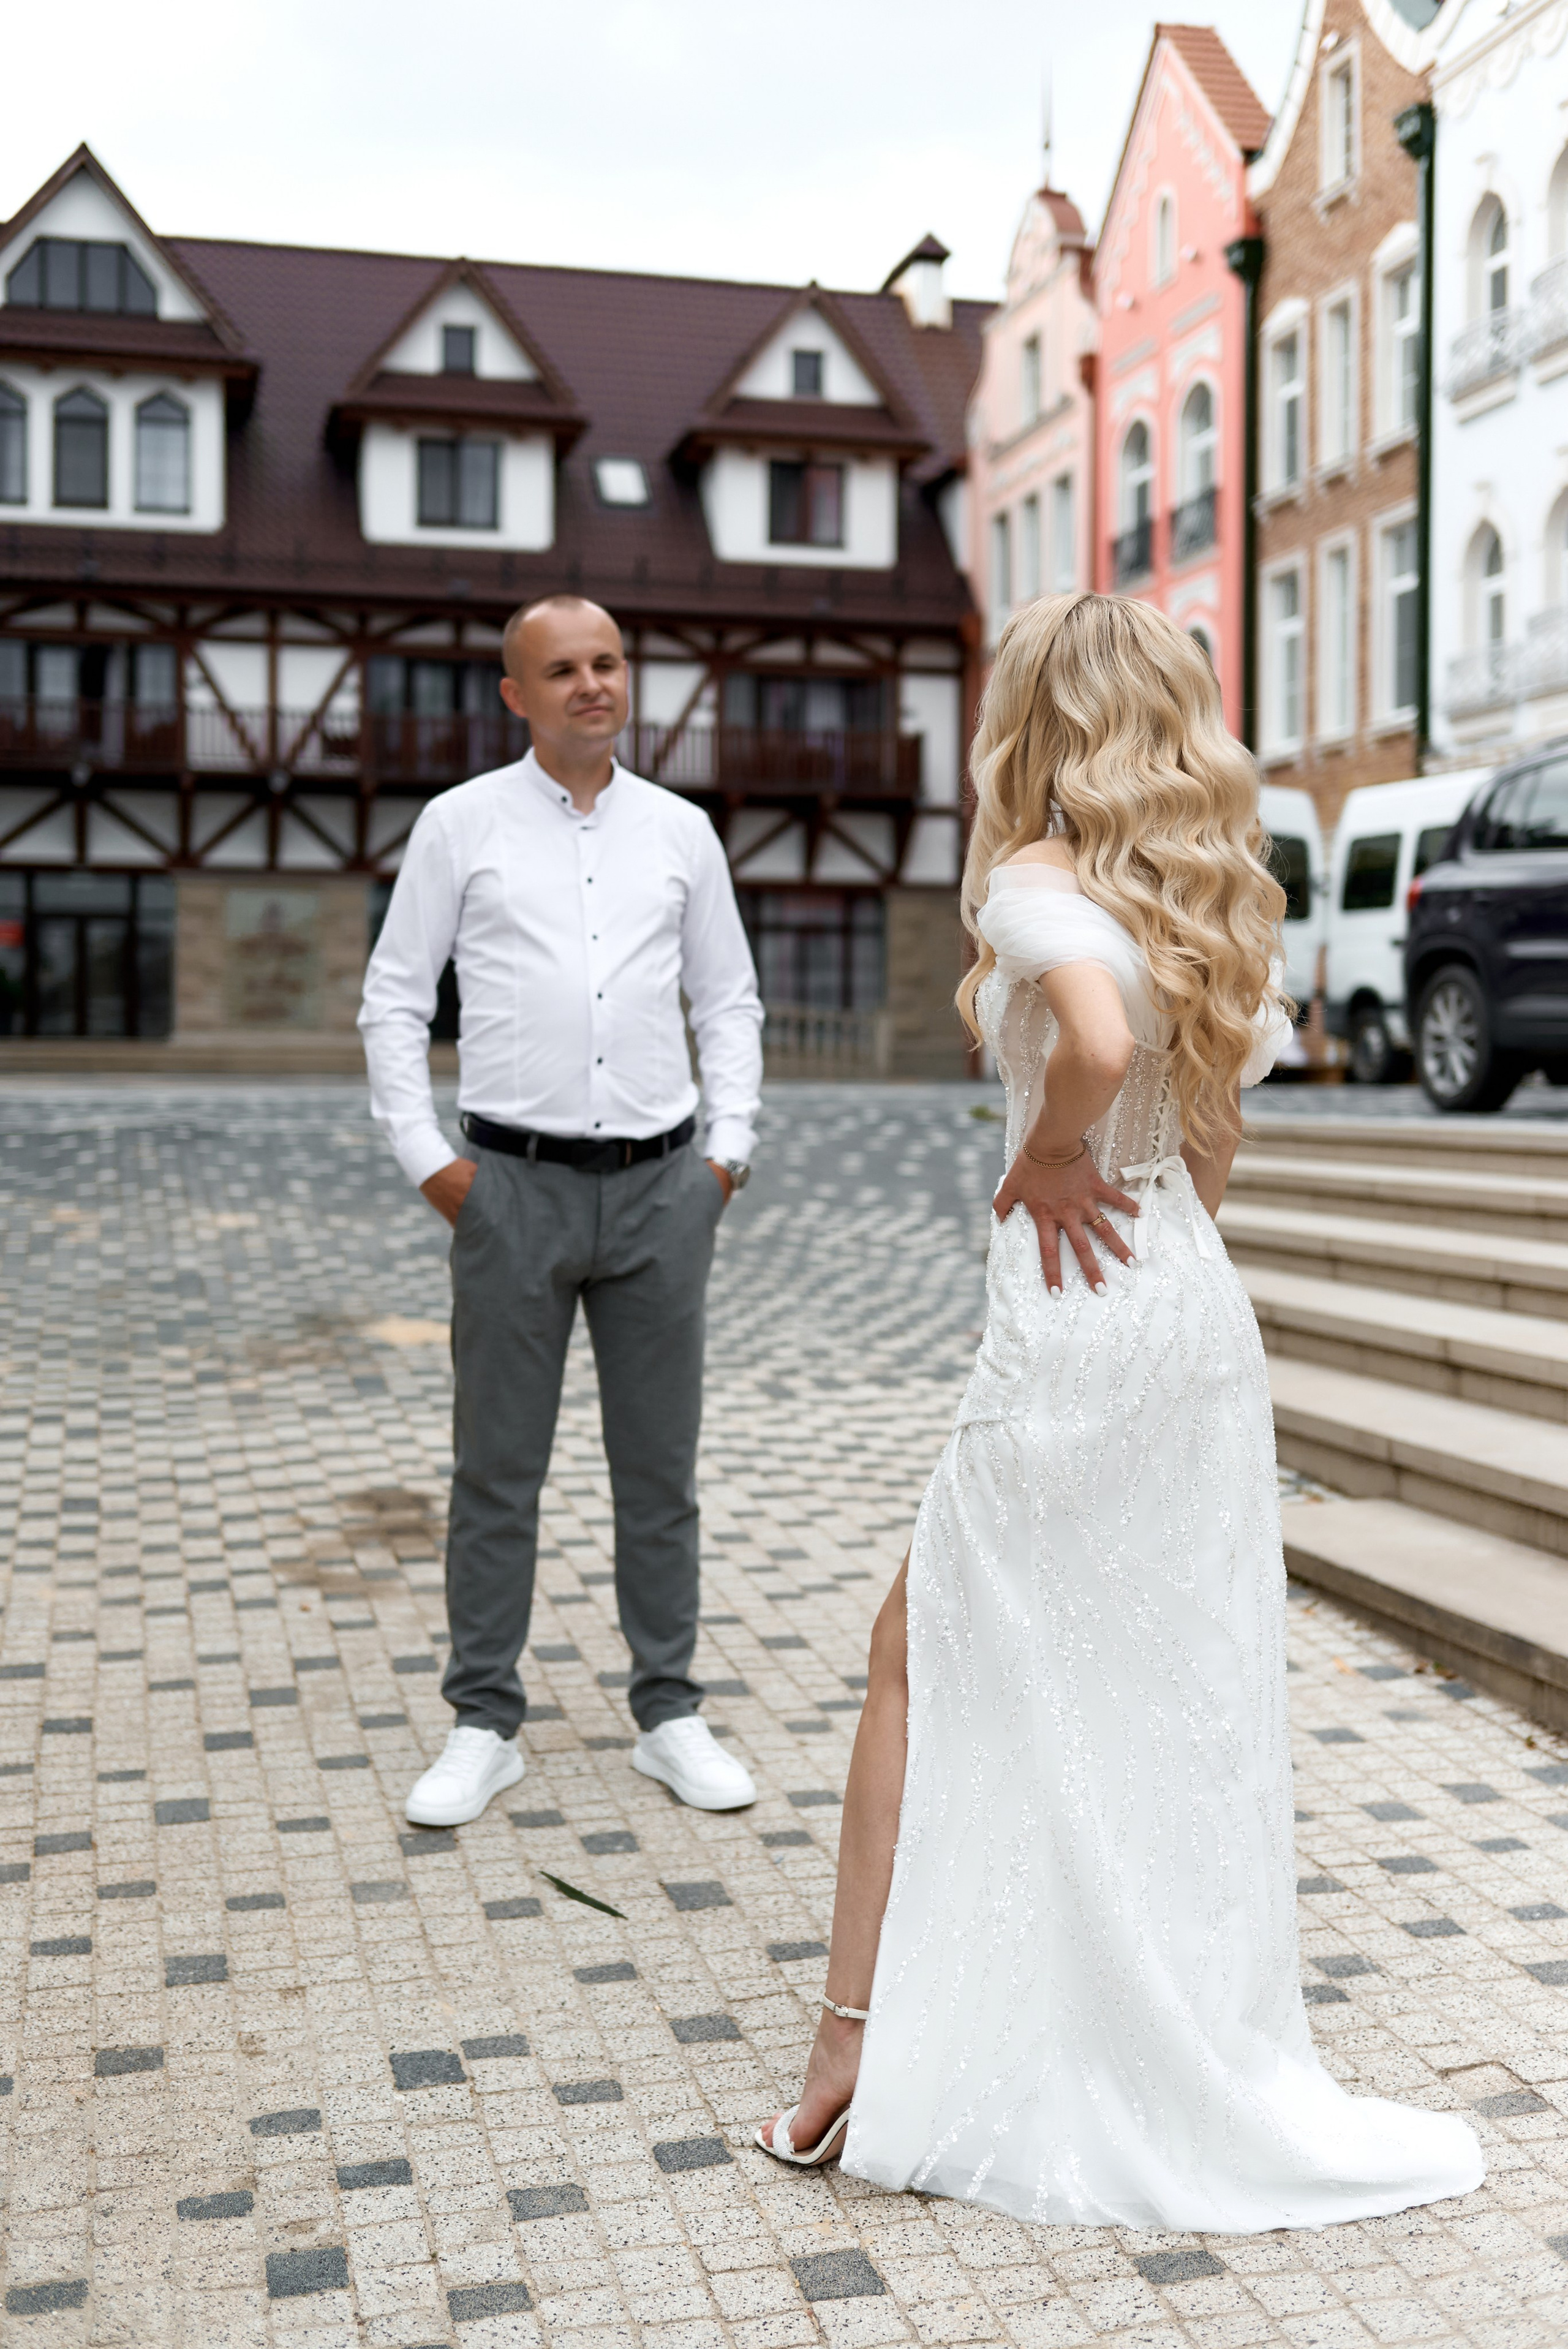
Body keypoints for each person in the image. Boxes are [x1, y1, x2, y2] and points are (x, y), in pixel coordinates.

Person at [757, 593, 1484, 2229]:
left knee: (913, 1656)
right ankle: (1134, 2035)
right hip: (1186, 1316)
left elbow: (1087, 1039)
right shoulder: (1216, 909)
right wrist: (1131, 1182)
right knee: (1156, 1682)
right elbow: (1210, 1145)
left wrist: (1057, 1151)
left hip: (1073, 1328)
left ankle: (845, 2052)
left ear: (1036, 719)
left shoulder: (1038, 880)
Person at [360, 594, 764, 1827]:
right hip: (509, 1191)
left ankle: (667, 1712)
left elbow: (728, 1001)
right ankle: (482, 1720)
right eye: (562, 669)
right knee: (495, 1471)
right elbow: (391, 997)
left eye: (606, 662)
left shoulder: (682, 833)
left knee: (661, 1473)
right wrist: (433, 1165)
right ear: (515, 695)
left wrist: (724, 1157)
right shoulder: (459, 825)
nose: (592, 683)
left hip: (660, 1190)